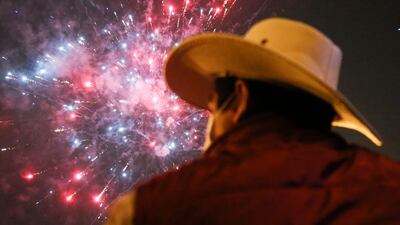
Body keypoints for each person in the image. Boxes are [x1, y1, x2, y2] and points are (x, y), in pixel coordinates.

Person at [105, 18, 400, 225]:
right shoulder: (388, 186)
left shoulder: (151, 208)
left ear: (241, 97)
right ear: (327, 113)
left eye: (213, 107)